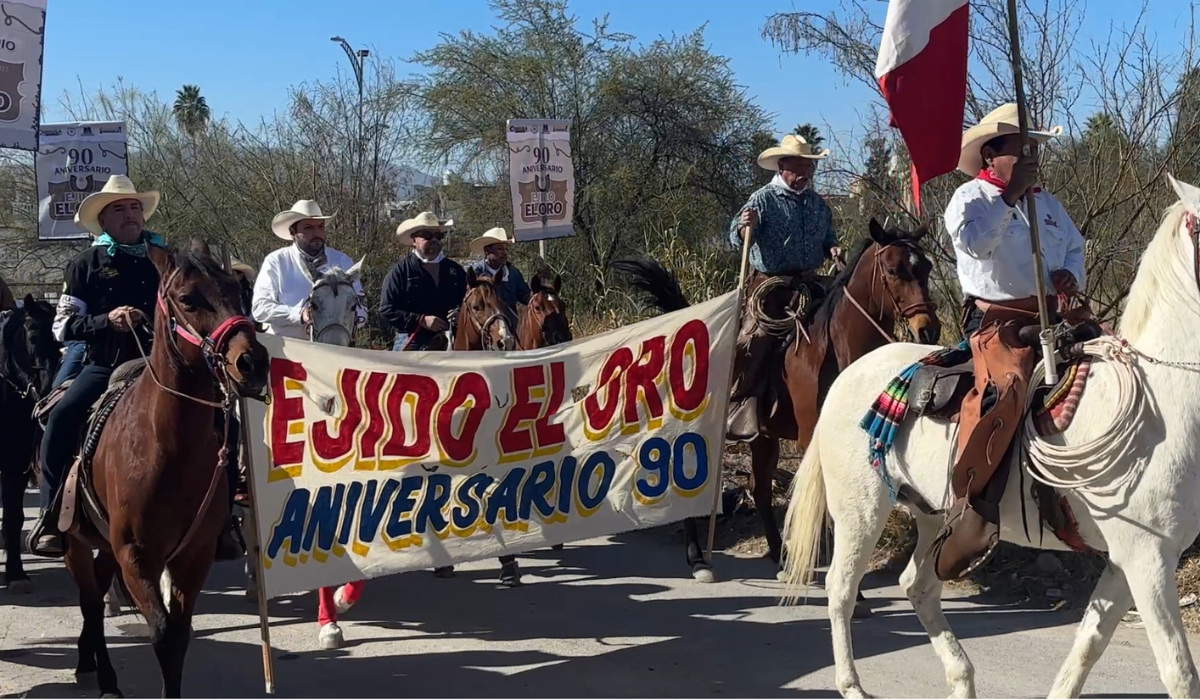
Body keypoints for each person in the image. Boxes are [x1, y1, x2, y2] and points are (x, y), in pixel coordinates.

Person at [31, 175, 243, 560]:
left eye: (134, 208)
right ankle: (51, 516)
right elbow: (63, 327)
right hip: (108, 362)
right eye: (119, 209)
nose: (129, 215)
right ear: (104, 220)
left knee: (229, 424)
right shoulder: (85, 264)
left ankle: (223, 520)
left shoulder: (170, 261)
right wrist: (105, 320)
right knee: (62, 417)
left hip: (171, 367)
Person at [930, 103, 1085, 581]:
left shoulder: (1049, 204)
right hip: (999, 323)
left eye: (1034, 147)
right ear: (991, 155)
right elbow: (975, 246)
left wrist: (1070, 274)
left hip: (1056, 315)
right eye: (1022, 147)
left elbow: (1077, 246)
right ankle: (973, 508)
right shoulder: (969, 199)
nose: (1032, 155)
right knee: (1010, 389)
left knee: (1121, 359)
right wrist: (1009, 199)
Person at [726, 134, 843, 438]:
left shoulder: (817, 203)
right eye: (799, 167)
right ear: (782, 166)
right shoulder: (762, 199)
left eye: (809, 168)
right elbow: (734, 236)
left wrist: (832, 248)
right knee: (754, 340)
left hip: (809, 282)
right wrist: (743, 226)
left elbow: (828, 235)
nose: (805, 174)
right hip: (771, 287)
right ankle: (740, 404)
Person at [251, 200, 365, 340]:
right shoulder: (277, 261)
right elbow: (260, 308)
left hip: (334, 352)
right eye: (308, 228)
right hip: (287, 352)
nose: (316, 233)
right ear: (293, 232)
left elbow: (361, 312)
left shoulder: (343, 261)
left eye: (320, 226)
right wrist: (299, 314)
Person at [380, 212, 466, 352]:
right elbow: (387, 308)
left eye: (438, 236)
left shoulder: (456, 270)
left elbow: (469, 302)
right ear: (414, 240)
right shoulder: (400, 272)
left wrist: (461, 315)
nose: (434, 240)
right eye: (427, 235)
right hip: (412, 337)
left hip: (453, 337)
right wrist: (421, 320)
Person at [466, 226, 530, 326]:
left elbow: (525, 296)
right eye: (500, 249)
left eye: (505, 249)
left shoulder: (513, 273)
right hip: (485, 328)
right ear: (487, 250)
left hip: (512, 326)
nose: (504, 253)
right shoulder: (476, 273)